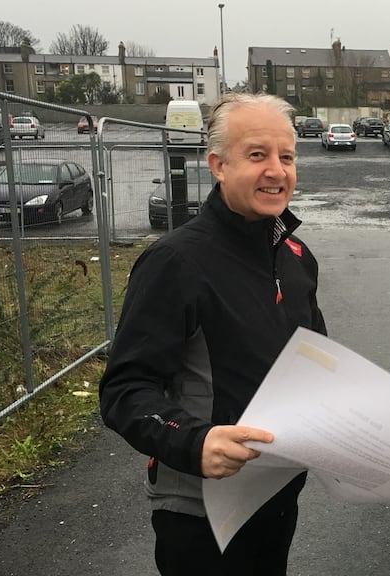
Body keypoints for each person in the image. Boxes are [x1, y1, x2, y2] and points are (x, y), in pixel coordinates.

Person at [99, 92, 326, 576]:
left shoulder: (296, 256)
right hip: (201, 512)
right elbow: (124, 390)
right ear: (218, 165)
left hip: (278, 493)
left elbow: (317, 361)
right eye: (257, 155)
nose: (277, 171)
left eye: (286, 156)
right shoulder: (176, 263)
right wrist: (195, 442)